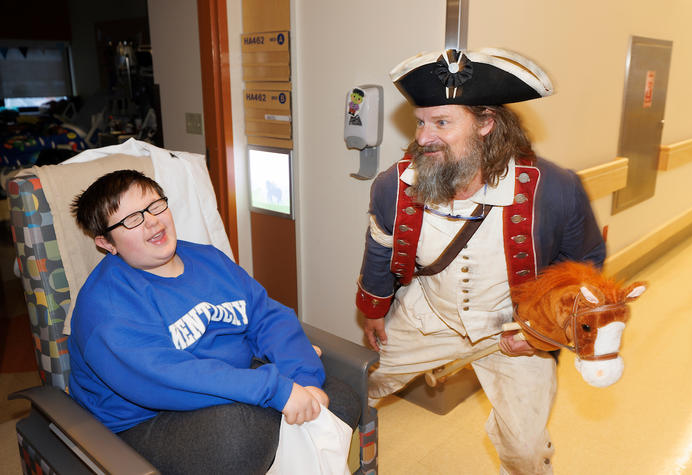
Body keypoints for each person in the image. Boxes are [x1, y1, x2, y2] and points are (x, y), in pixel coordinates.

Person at [355, 48, 605, 474]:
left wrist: (543, 333)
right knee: (355, 386)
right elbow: (380, 245)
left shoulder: (556, 190)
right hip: (425, 316)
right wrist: (374, 307)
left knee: (525, 451)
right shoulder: (394, 186)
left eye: (441, 123)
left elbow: (582, 269)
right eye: (420, 122)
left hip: (513, 331)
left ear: (487, 124)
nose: (423, 137)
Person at [69, 169, 359, 474]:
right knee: (244, 433)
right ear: (106, 243)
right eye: (131, 219)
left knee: (339, 401)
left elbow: (267, 317)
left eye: (155, 205)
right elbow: (167, 376)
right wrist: (278, 390)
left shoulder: (208, 259)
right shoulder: (105, 307)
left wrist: (301, 377)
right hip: (144, 421)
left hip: (231, 383)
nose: (152, 221)